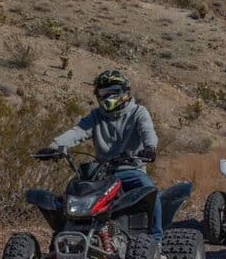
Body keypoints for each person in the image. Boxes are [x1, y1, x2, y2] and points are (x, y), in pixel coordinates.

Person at [41, 69, 163, 241]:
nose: (108, 97)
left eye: (113, 92)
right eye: (103, 93)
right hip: (102, 174)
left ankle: (156, 241)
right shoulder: (96, 116)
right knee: (72, 193)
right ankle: (66, 239)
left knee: (150, 190)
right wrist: (54, 147)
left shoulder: (138, 112)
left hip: (132, 169)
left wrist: (150, 147)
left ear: (125, 92)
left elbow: (147, 130)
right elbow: (77, 132)